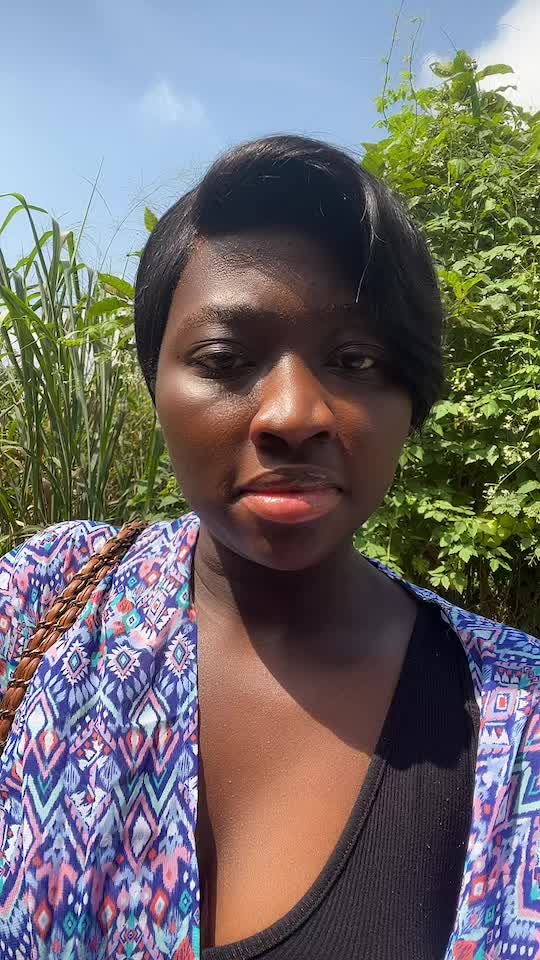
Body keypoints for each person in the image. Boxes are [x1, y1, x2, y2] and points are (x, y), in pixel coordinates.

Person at [0, 135, 538, 960]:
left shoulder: (519, 714)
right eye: (226, 359)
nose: (293, 415)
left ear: (412, 398)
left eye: (355, 359)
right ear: (156, 386)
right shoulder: (41, 602)